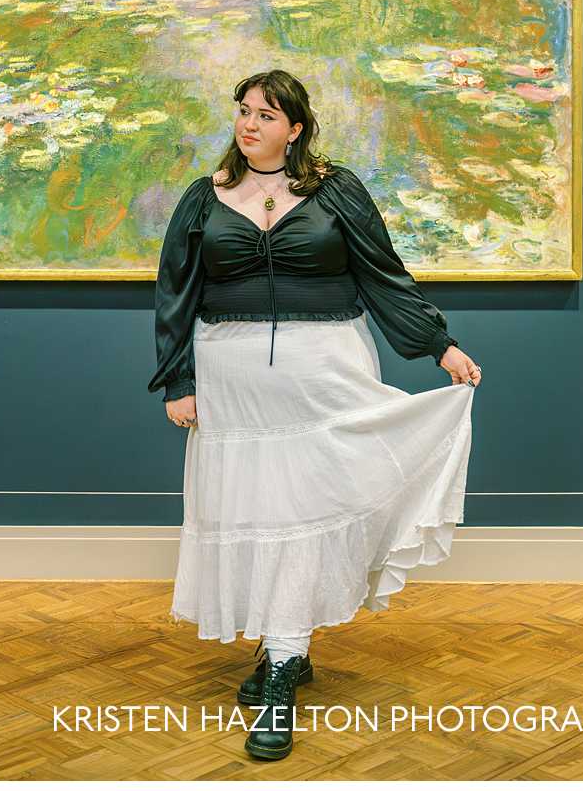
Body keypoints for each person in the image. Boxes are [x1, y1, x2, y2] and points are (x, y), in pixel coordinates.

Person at [150, 70, 482, 763]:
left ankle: (283, 659)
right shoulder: (201, 199)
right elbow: (176, 296)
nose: (249, 125)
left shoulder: (337, 190)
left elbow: (382, 274)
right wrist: (177, 379)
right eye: (243, 112)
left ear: (295, 128)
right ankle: (284, 646)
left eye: (265, 116)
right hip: (232, 380)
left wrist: (437, 344)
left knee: (309, 509)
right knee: (258, 511)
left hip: (327, 368)